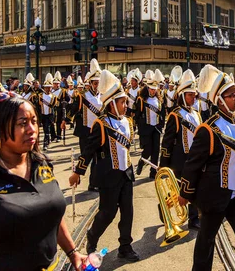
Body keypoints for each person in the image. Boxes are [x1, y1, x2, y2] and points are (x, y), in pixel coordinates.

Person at [0, 92, 87, 269]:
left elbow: (51, 214)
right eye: (22, 123)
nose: (32, 129)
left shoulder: (42, 164)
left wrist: (73, 253)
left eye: (34, 121)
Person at [178, 65, 235, 271]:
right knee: (205, 245)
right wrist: (185, 193)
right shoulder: (208, 129)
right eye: (231, 95)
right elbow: (193, 164)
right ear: (219, 100)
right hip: (214, 197)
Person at [69, 70, 140, 261]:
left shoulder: (128, 122)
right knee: (107, 213)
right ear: (111, 104)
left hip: (126, 174)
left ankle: (125, 246)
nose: (126, 105)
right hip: (108, 176)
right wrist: (78, 172)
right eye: (122, 102)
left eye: (126, 101)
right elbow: (89, 150)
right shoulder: (101, 124)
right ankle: (92, 237)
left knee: (128, 213)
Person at [159, 69, 202, 229]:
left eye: (194, 95)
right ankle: (163, 209)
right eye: (190, 94)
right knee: (176, 190)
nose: (193, 97)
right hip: (179, 159)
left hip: (194, 158)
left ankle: (193, 217)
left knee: (194, 187)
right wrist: (164, 165)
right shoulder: (175, 115)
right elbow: (167, 142)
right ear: (183, 95)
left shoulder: (197, 114)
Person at [64, 61, 103, 192]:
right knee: (85, 156)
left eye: (99, 83)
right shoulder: (82, 96)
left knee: (97, 159)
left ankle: (93, 183)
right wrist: (65, 120)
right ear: (90, 83)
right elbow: (74, 108)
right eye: (95, 83)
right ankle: (78, 175)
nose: (97, 85)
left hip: (98, 131)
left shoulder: (103, 96)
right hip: (85, 130)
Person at [134, 70, 165, 179]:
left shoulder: (159, 100)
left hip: (156, 128)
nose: (152, 91)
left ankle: (153, 172)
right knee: (148, 150)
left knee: (156, 151)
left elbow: (162, 114)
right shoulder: (141, 99)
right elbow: (137, 114)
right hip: (146, 129)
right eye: (151, 89)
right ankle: (142, 162)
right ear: (147, 89)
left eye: (154, 90)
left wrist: (161, 125)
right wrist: (138, 126)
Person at [38, 73, 58, 152]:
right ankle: (50, 138)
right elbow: (39, 105)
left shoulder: (53, 97)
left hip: (50, 115)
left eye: (49, 88)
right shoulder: (40, 96)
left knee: (48, 129)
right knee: (46, 129)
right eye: (46, 88)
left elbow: (53, 106)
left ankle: (45, 143)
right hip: (43, 115)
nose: (47, 89)